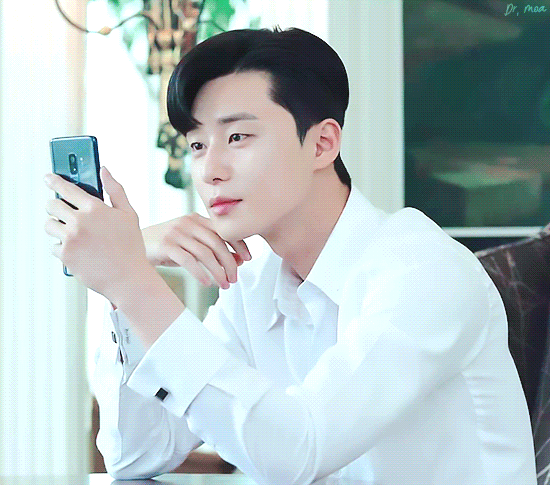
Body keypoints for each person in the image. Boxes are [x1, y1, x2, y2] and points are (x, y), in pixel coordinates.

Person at [44, 27, 536, 484]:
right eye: (196, 144)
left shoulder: (423, 271)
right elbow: (137, 453)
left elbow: (300, 450)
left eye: (237, 137)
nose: (210, 169)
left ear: (322, 144)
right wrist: (123, 287)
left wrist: (133, 281)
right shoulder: (256, 285)